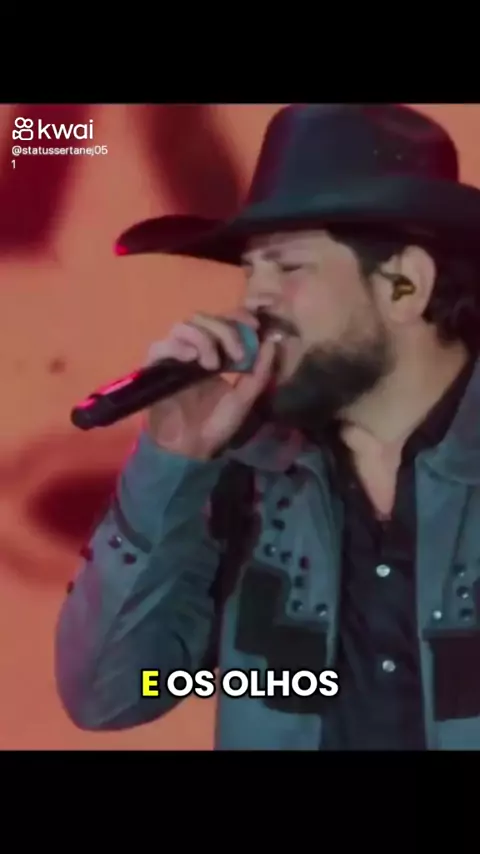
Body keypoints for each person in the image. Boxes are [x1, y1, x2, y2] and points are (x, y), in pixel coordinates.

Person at [55, 104, 480, 750]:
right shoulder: (244, 482)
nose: (254, 299)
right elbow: (116, 691)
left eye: (288, 267)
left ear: (404, 286)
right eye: (250, 271)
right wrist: (171, 464)